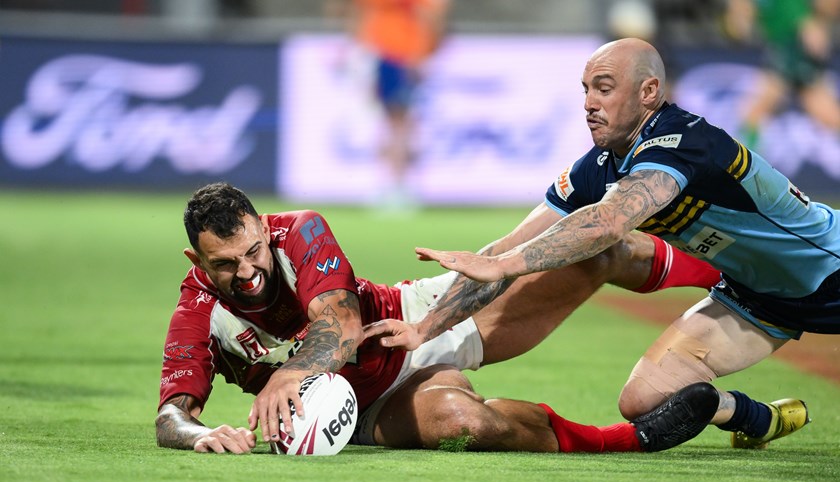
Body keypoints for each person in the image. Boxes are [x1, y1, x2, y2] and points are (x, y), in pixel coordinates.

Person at [367, 38, 829, 450]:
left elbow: (608, 223)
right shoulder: (599, 165)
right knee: (643, 399)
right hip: (755, 299)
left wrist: (507, 264)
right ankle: (753, 416)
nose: (589, 103)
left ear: (648, 92)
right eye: (585, 89)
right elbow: (502, 249)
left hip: (829, 270)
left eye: (603, 88)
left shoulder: (682, 141)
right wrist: (424, 330)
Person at [156, 182, 722, 454]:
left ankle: (733, 275)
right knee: (463, 424)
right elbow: (171, 418)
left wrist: (287, 374)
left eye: (253, 251)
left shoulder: (298, 230)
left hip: (412, 322)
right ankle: (633, 439)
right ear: (197, 261)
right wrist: (200, 435)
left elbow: (343, 326)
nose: (249, 272)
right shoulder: (197, 313)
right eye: (226, 265)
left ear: (263, 227)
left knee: (592, 253)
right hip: (362, 410)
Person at [324, 0, 450, 208]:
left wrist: (421, 53)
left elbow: (431, 16)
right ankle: (394, 184)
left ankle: (398, 186)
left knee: (399, 122)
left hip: (397, 54)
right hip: (386, 54)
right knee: (393, 122)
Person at [724, 0, 840, 149]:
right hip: (785, 46)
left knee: (757, 109)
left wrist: (807, 24)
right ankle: (746, 163)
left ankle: (746, 165)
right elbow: (740, 22)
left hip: (793, 45)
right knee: (826, 113)